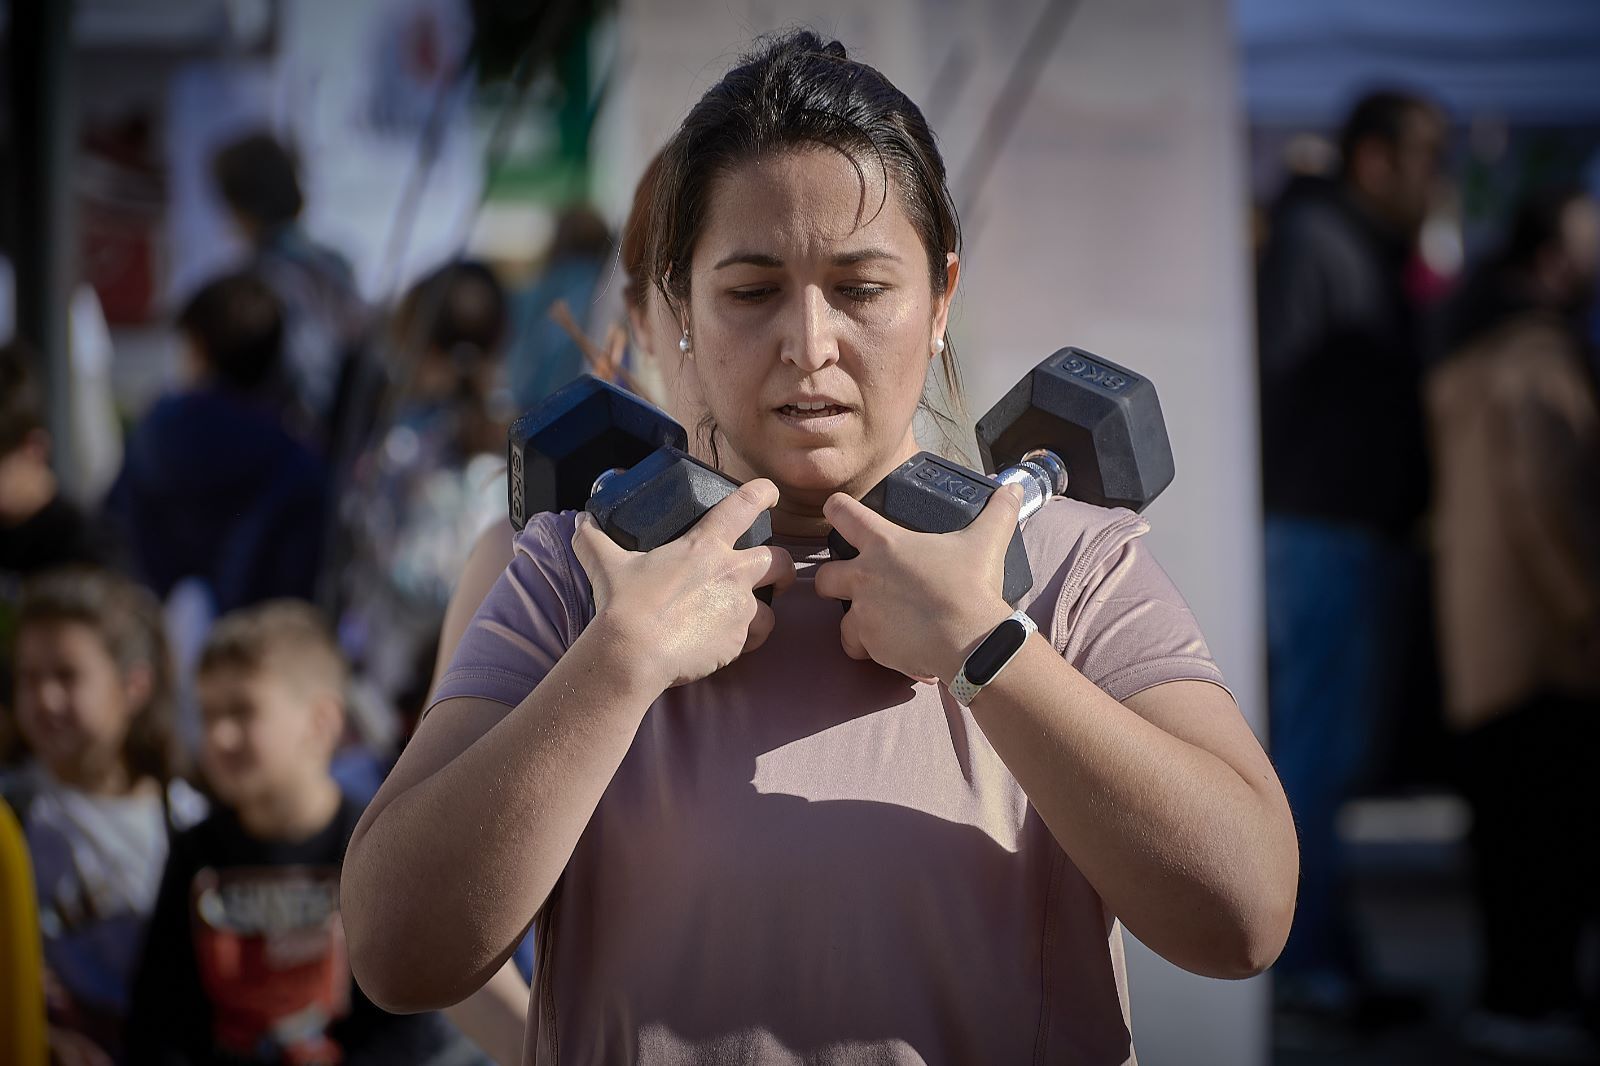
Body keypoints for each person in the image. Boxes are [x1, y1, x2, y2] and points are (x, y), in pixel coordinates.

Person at [343, 31, 1298, 1065]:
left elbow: (1243, 917)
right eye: (752, 292)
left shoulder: (1073, 566)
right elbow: (398, 953)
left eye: (861, 288)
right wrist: (618, 664)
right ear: (678, 308)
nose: (809, 345)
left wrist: (988, 649)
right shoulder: (576, 573)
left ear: (940, 298)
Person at [1255, 88, 1446, 1016]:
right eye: (1426, 159)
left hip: (1342, 530)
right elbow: (1283, 388)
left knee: (1329, 756)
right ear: (1375, 159)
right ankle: (1307, 964)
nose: (1436, 181)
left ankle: (1322, 952)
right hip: (1321, 531)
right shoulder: (1318, 241)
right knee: (1316, 754)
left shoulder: (1348, 241)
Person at [127, 599, 484, 1065]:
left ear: (321, 723)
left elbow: (405, 1023)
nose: (218, 737)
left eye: (242, 712)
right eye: (208, 715)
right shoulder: (197, 852)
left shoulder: (376, 847)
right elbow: (160, 1015)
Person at [1427, 186, 1600, 1061]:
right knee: (1544, 844)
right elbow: (1550, 503)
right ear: (1551, 256)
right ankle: (1530, 1006)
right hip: (1543, 648)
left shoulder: (1473, 348)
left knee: (1509, 842)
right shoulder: (1536, 360)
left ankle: (1514, 1002)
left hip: (1483, 644)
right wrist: (1589, 607)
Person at [8, 567, 202, 1064]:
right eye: (28, 677)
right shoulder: (11, 815)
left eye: (66, 676)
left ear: (134, 686)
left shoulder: (188, 823)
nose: (44, 698)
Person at [106, 272, 329, 615]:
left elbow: (114, 537)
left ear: (199, 348)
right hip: (254, 641)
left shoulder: (154, 435)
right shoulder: (299, 463)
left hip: (148, 632)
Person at [211, 131, 368, 441]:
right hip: (343, 435)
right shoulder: (335, 264)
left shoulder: (255, 283)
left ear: (240, 208)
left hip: (292, 439)